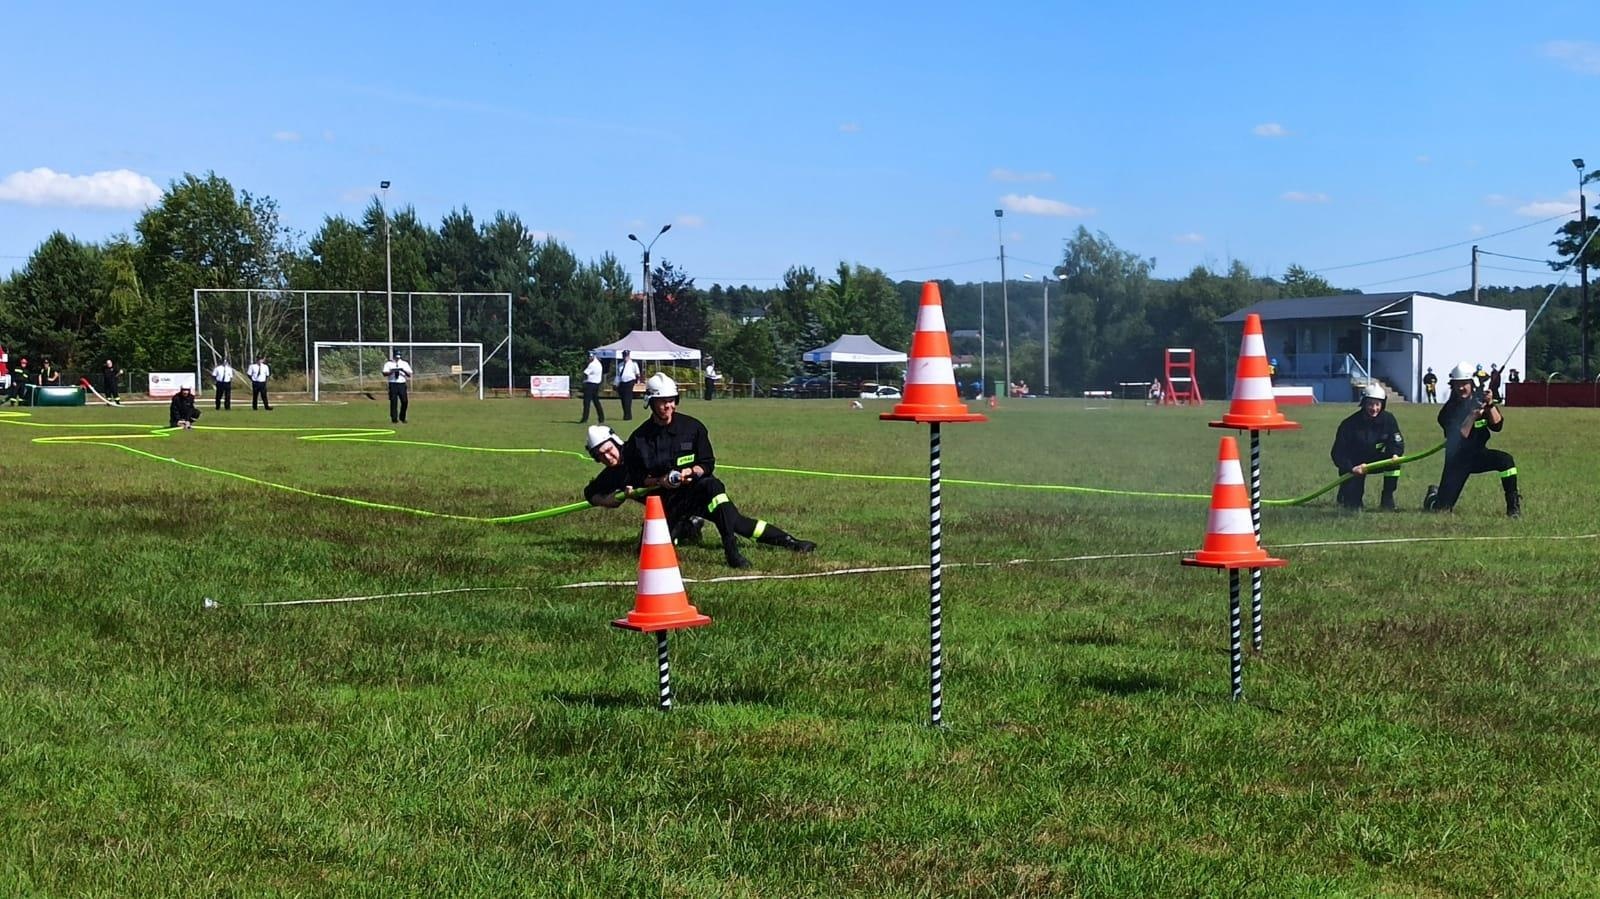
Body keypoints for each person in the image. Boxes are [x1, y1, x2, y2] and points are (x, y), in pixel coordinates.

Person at [609, 374, 815, 568]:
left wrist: (691, 471)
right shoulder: (639, 439)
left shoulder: (693, 428)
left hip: (698, 491)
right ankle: (687, 527)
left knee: (730, 513)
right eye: (662, 402)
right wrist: (659, 481)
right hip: (667, 500)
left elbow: (707, 464)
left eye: (672, 400)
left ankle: (767, 546)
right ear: (651, 402)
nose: (668, 406)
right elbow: (636, 478)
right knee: (646, 553)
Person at [1425, 361, 1520, 518]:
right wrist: (1472, 416)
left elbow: (1497, 426)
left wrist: (1490, 405)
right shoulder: (1448, 411)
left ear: (1472, 383)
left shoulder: (1479, 401)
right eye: (1457, 384)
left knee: (1506, 461)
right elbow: (1459, 437)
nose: (1461, 388)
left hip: (1478, 455)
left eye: (1465, 384)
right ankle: (1433, 497)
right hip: (1457, 461)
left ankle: (1513, 508)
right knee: (1442, 509)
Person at [1330, 383, 1405, 512]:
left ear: (1383, 404)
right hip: (1354, 464)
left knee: (1394, 464)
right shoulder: (1349, 424)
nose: (1374, 408)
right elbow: (1338, 453)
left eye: (1377, 404)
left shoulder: (1388, 420)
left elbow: (1396, 441)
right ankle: (1345, 493)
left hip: (1374, 460)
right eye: (1370, 404)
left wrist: (1395, 454)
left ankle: (1387, 498)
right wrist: (1351, 468)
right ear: (1364, 403)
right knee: (1353, 506)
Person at [381, 351, 412, 423]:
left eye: (399, 357)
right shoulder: (388, 364)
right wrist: (392, 371)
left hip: (402, 383)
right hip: (393, 384)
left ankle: (402, 417)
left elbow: (409, 374)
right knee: (393, 401)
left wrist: (402, 370)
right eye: (396, 357)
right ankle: (394, 419)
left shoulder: (404, 363)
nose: (397, 358)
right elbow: (384, 373)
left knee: (404, 401)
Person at [578, 352, 605, 423]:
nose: (589, 358)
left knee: (586, 402)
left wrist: (583, 381)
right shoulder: (599, 364)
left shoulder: (592, 364)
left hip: (590, 384)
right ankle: (601, 418)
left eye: (590, 357)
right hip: (596, 384)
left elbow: (585, 373)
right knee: (596, 401)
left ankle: (585, 419)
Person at [614, 349, 640, 421]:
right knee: (623, 399)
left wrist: (637, 381)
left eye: (626, 356)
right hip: (622, 383)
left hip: (630, 382)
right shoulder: (620, 365)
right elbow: (618, 375)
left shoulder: (633, 364)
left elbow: (637, 374)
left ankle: (628, 416)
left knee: (627, 399)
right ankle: (625, 414)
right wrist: (615, 383)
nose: (625, 357)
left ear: (629, 356)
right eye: (624, 356)